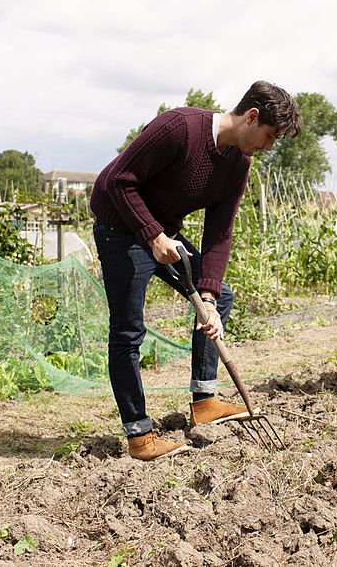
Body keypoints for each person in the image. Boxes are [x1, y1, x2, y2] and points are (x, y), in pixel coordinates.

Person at [91, 81, 301, 461]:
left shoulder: (238, 162)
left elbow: (219, 232)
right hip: (120, 228)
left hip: (163, 231)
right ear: (251, 116)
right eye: (269, 136)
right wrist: (153, 236)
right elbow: (116, 182)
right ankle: (139, 436)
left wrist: (206, 296)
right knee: (128, 330)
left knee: (219, 297)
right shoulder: (179, 128)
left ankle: (205, 401)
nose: (270, 146)